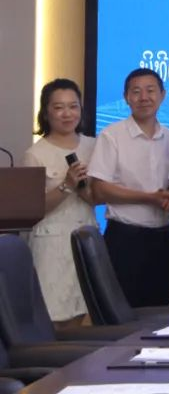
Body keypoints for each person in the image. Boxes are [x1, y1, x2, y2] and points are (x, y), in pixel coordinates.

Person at [88, 68, 169, 307]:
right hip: (125, 240)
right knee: (124, 312)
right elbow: (99, 190)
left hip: (164, 239)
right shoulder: (111, 136)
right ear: (126, 97)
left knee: (159, 311)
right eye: (136, 92)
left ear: (162, 95)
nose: (144, 97)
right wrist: (150, 198)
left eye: (150, 91)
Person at [21, 79, 98, 323]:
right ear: (46, 112)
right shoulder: (35, 154)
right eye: (59, 107)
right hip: (51, 244)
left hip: (86, 239)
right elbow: (32, 210)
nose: (67, 114)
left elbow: (99, 196)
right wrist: (66, 185)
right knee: (53, 316)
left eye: (73, 106)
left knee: (83, 311)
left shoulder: (94, 145)